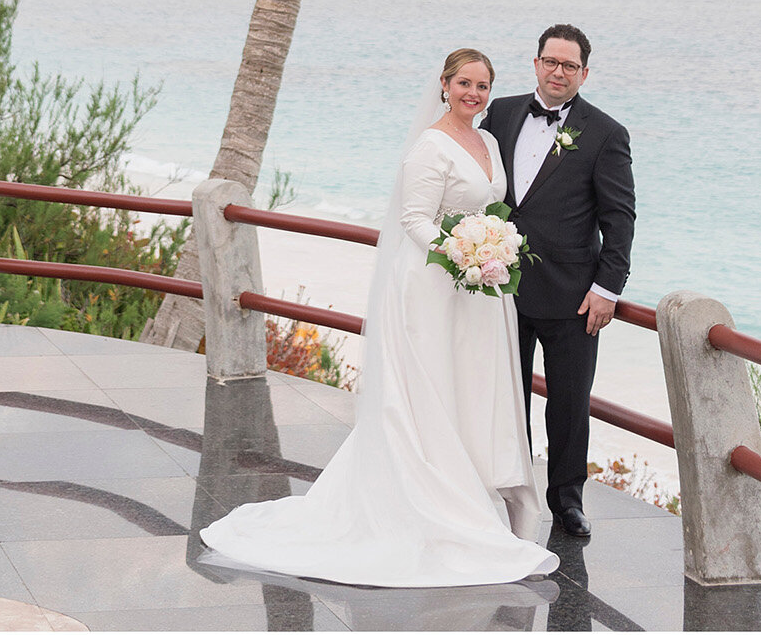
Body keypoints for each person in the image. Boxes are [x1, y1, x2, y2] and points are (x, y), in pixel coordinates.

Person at [199, 49, 559, 589]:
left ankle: (476, 486)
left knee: (471, 387)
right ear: (443, 85)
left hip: (480, 291)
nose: (474, 95)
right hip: (433, 285)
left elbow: (489, 208)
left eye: (483, 86)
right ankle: (431, 495)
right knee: (430, 388)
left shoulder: (486, 141)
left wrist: (491, 253)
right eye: (465, 83)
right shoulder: (429, 146)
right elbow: (414, 218)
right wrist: (460, 251)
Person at [484, 23, 636, 543]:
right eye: (551, 61)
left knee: (570, 402)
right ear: (536, 63)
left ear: (584, 73)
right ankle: (509, 489)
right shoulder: (500, 113)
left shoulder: (606, 133)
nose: (558, 72)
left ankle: (566, 501)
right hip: (500, 284)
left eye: (569, 65)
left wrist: (608, 289)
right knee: (506, 395)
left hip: (574, 296)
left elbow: (620, 218)